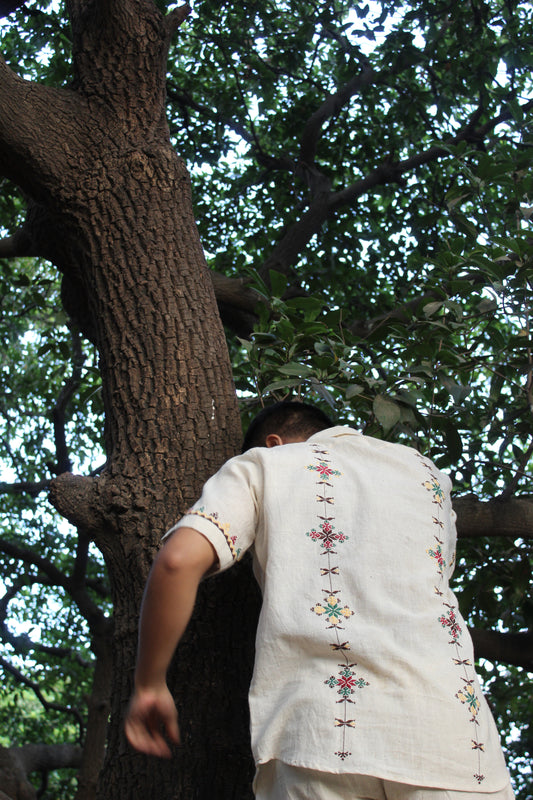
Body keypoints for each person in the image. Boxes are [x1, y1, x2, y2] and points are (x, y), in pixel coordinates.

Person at [125, 401, 515, 800]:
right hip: (452, 742)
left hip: (319, 736)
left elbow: (176, 561)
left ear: (274, 442)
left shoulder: (266, 464)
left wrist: (150, 684)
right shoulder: (427, 476)